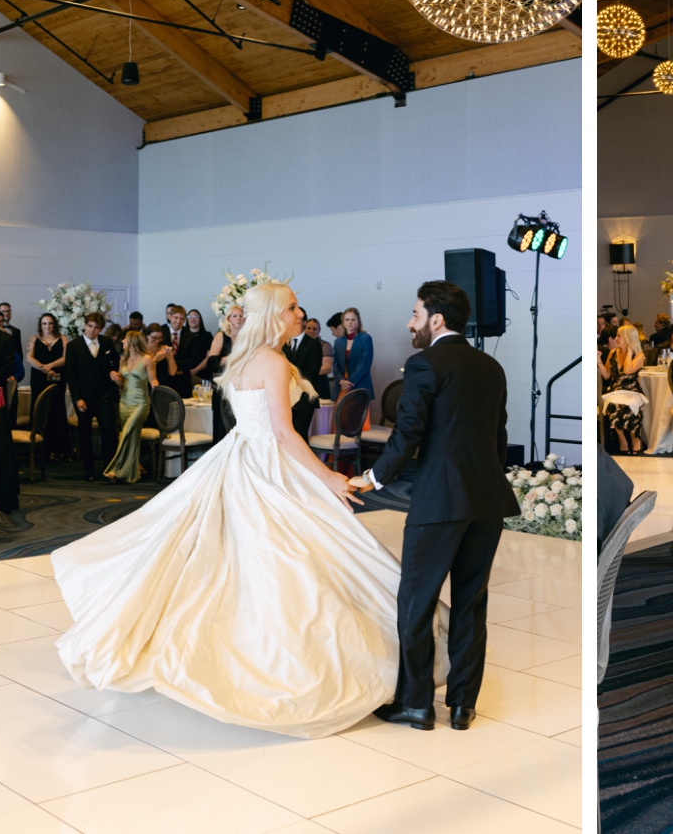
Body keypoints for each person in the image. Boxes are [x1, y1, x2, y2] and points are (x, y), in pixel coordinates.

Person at [54, 282, 438, 737]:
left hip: (238, 456)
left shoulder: (242, 358)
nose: (300, 313)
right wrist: (329, 477)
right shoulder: (273, 362)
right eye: (293, 307)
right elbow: (282, 434)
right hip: (265, 463)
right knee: (280, 558)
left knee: (234, 557)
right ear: (276, 315)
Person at [348, 279, 510, 732]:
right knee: (471, 603)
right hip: (487, 500)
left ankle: (416, 704)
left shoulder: (424, 364)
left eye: (415, 315)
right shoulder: (490, 367)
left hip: (440, 499)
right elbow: (498, 437)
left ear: (436, 320)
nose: (410, 323)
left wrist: (374, 476)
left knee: (416, 603)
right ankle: (462, 705)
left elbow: (408, 432)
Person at [66, 313, 122, 482]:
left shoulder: (106, 342)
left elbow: (116, 360)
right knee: (85, 433)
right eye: (90, 326)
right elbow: (71, 375)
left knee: (108, 431)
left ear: (101, 329)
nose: (92, 330)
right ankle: (88, 470)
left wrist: (113, 371)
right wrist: (77, 398)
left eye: (96, 327)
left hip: (104, 395)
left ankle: (108, 469)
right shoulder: (73, 346)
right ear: (85, 325)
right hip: (83, 397)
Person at [104, 330, 157, 483]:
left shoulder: (147, 359)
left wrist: (157, 387)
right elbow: (122, 383)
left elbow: (153, 379)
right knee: (131, 436)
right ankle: (131, 471)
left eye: (125, 340)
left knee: (127, 431)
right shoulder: (123, 359)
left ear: (133, 342)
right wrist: (114, 377)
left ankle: (115, 469)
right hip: (125, 402)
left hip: (141, 402)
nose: (122, 342)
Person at [27, 313, 70, 459]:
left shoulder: (63, 339)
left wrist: (51, 366)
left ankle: (58, 449)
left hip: (57, 378)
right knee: (39, 409)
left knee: (56, 410)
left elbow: (66, 357)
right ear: (40, 325)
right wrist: (43, 367)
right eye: (44, 324)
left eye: (50, 323)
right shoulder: (34, 339)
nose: (47, 327)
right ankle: (40, 449)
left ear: (54, 324)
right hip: (39, 378)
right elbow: (29, 358)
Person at [599, 324, 647, 454]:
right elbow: (607, 375)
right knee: (614, 404)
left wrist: (629, 352)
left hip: (632, 390)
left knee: (629, 404)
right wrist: (598, 361)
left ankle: (634, 438)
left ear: (628, 338)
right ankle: (622, 439)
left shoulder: (639, 355)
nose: (616, 338)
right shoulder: (613, 352)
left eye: (619, 336)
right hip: (615, 390)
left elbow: (627, 370)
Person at [207, 304, 245, 443]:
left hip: (243, 387)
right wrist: (232, 357)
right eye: (235, 316)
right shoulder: (221, 336)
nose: (238, 319)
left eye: (241, 316)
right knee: (222, 428)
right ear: (228, 319)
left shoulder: (248, 338)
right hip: (223, 388)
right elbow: (211, 362)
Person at [284, 306, 323, 441]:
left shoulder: (313, 344)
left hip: (304, 397)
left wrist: (295, 385)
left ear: (304, 322)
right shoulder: (283, 342)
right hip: (284, 396)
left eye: (299, 319)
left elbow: (312, 372)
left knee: (299, 436)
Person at [332, 307, 374, 403]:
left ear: (358, 321)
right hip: (341, 386)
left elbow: (365, 363)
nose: (350, 322)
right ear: (343, 322)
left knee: (358, 416)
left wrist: (350, 383)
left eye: (353, 319)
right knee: (340, 416)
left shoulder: (366, 338)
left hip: (358, 384)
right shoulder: (338, 341)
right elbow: (335, 365)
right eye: (347, 319)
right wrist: (341, 381)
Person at [0, 301, 26, 382]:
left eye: (8, 311)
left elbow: (18, 350)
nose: (6, 313)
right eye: (3, 311)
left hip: (12, 365)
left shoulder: (16, 331)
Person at [182, 310, 213, 381]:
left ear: (200, 319)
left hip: (203, 372)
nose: (192, 319)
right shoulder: (182, 335)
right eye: (190, 317)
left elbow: (209, 356)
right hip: (184, 372)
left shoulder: (207, 336)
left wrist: (196, 369)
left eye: (195, 316)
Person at [306, 317, 332, 400]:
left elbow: (327, 368)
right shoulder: (298, 346)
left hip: (320, 384)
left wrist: (305, 372)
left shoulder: (325, 345)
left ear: (319, 331)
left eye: (314, 329)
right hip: (303, 386)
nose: (311, 331)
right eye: (309, 328)